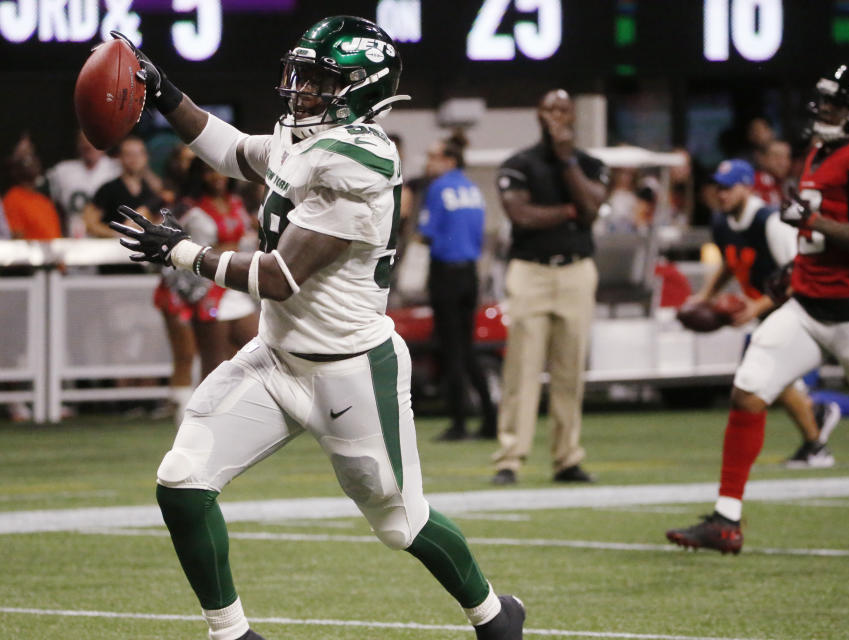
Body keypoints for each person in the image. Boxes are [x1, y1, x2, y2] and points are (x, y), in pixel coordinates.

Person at [108, 17, 524, 640]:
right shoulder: (306, 139)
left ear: (359, 87)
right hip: (276, 359)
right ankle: (232, 633)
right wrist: (164, 91)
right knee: (182, 479)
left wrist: (182, 253)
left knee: (399, 524)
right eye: (301, 74)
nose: (300, 89)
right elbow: (232, 149)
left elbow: (280, 276)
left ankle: (495, 617)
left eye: (319, 79)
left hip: (349, 372)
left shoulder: (363, 160)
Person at [666, 61, 849, 555]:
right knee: (748, 390)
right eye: (826, 99)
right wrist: (795, 267)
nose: (826, 108)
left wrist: (815, 222)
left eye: (839, 103)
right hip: (806, 306)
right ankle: (727, 520)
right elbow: (817, 235)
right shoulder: (824, 149)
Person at [491, 88, 608, 485]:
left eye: (562, 109)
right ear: (538, 115)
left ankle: (567, 458)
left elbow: (591, 210)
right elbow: (521, 215)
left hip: (576, 271)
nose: (556, 116)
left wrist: (567, 160)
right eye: (548, 109)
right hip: (530, 271)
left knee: (570, 370)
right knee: (521, 369)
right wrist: (568, 212)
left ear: (573, 115)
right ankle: (510, 457)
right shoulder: (518, 163)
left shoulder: (589, 164)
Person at [698, 158, 841, 468]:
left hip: (795, 308)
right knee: (764, 380)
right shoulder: (722, 222)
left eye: (728, 188)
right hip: (767, 313)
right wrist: (704, 297)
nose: (721, 195)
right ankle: (815, 423)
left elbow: (798, 272)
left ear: (747, 187)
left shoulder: (770, 221)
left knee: (766, 376)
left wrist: (756, 306)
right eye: (718, 188)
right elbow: (730, 261)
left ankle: (816, 443)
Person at [153, 158, 260, 422]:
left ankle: (245, 412)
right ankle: (198, 420)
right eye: (209, 172)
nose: (216, 177)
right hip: (207, 291)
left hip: (236, 288)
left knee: (260, 350)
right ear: (198, 176)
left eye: (220, 172)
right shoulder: (186, 209)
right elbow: (164, 245)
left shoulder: (237, 202)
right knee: (212, 362)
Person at [418, 133, 497, 441]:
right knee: (467, 348)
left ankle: (459, 420)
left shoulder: (438, 189)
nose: (428, 163)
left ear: (449, 160)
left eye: (434, 156)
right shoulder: (471, 189)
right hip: (469, 273)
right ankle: (489, 417)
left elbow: (427, 233)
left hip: (446, 274)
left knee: (450, 349)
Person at [45, 130, 121, 238]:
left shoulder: (117, 168)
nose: (89, 148)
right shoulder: (63, 171)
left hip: (109, 240)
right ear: (78, 146)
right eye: (85, 145)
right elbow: (52, 206)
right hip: (75, 240)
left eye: (92, 144)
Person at [83, 135, 161, 238]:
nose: (134, 159)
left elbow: (159, 221)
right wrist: (117, 233)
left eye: (138, 154)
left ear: (145, 157)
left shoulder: (152, 190)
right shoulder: (108, 189)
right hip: (113, 248)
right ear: (119, 157)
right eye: (129, 154)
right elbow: (90, 224)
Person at [2, 143, 61, 240]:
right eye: (26, 160)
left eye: (32, 159)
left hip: (53, 252)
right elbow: (16, 236)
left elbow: (56, 236)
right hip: (27, 254)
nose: (31, 163)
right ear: (15, 169)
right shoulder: (12, 198)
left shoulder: (45, 201)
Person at [752, 139, 792, 207]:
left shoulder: (788, 184)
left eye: (787, 157)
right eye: (777, 157)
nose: (783, 163)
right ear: (764, 159)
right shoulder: (755, 182)